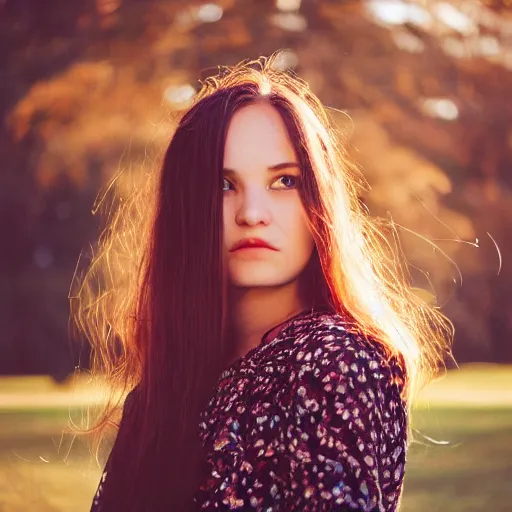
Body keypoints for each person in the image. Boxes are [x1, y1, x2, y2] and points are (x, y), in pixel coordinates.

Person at [76, 53, 453, 511]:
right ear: (185, 209)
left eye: (284, 181)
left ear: (320, 199)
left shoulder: (333, 364)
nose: (251, 213)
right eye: (223, 185)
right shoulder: (165, 389)